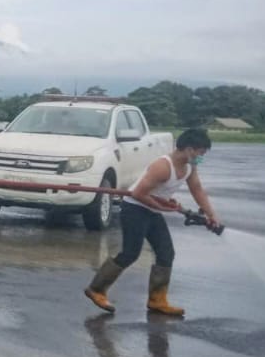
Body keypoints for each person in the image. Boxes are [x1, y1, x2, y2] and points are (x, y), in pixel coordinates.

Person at [84, 128, 221, 317]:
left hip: (153, 210)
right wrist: (163, 207)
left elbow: (197, 189)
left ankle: (157, 299)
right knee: (130, 253)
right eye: (201, 153)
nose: (201, 157)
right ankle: (96, 289)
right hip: (135, 209)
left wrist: (211, 214)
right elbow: (137, 194)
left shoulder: (189, 167)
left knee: (166, 253)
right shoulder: (163, 167)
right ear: (189, 149)